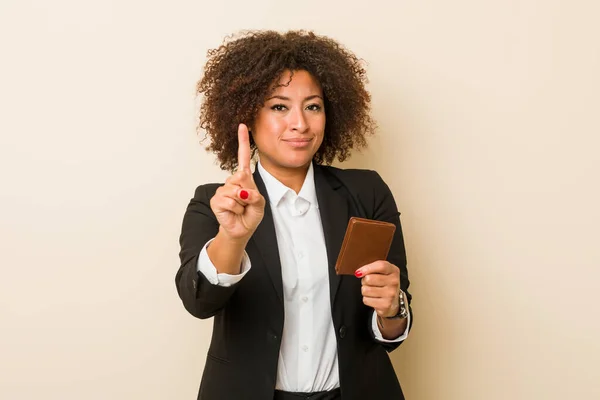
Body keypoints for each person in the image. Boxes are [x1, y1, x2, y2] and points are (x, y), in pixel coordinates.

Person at [176, 30, 413, 400]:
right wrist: (233, 237)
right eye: (279, 106)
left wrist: (392, 308)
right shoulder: (214, 203)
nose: (300, 123)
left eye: (313, 106)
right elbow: (199, 302)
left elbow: (393, 324)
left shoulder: (367, 193)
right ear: (248, 118)